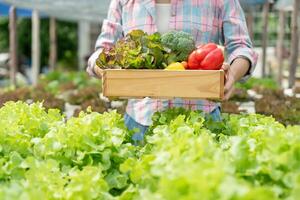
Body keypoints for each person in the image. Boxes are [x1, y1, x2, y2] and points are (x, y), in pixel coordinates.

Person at [87, 0, 258, 143]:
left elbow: (241, 47)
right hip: (139, 122)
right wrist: (107, 73)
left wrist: (233, 76)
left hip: (202, 121)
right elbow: (103, 50)